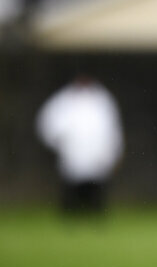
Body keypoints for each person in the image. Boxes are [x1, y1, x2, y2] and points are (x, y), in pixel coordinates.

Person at [35, 73, 124, 215]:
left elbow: (112, 129)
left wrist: (113, 153)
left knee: (95, 191)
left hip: (96, 156)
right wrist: (58, 144)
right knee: (72, 190)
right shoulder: (64, 100)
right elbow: (48, 123)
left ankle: (95, 216)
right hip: (72, 154)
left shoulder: (102, 101)